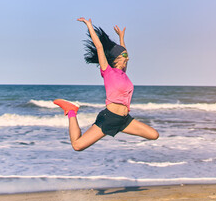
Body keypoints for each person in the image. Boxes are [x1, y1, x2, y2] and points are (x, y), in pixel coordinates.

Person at [53, 17, 159, 151]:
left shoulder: (123, 73)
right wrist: (89, 26)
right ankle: (71, 111)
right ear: (116, 58)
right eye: (124, 57)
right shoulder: (108, 71)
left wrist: (121, 37)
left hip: (124, 120)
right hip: (109, 118)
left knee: (154, 135)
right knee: (77, 145)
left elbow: (124, 53)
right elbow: (99, 46)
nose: (127, 58)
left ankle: (115, 128)